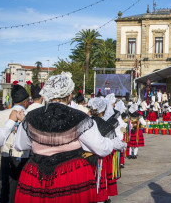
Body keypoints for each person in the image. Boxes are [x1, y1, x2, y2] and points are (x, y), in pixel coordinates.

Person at [13, 72, 116, 203]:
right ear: (69, 95)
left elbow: (20, 145)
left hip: (36, 174)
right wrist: (109, 142)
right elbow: (101, 148)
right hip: (71, 176)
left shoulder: (30, 116)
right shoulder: (80, 117)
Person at [0, 84, 30, 203]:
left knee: (6, 188)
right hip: (24, 156)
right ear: (25, 101)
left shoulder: (0, 114)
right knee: (23, 190)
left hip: (6, 156)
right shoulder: (30, 114)